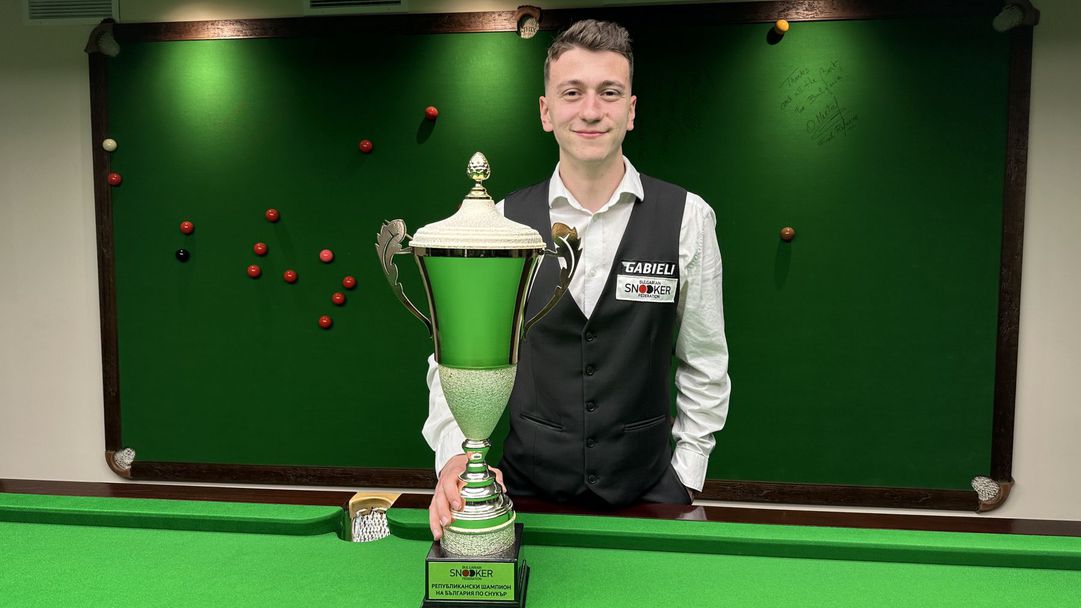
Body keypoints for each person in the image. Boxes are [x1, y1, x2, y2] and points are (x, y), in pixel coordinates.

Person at [423, 19, 731, 540]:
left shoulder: (688, 217)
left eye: (609, 92)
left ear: (631, 110)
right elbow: (455, 359)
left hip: (651, 490)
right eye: (572, 92)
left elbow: (704, 360)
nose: (591, 110)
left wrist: (687, 473)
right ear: (546, 112)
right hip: (525, 490)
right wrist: (456, 457)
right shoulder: (502, 224)